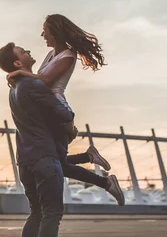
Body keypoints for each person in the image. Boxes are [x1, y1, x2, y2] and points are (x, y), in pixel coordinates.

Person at [6, 14, 124, 206]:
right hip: (47, 110)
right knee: (55, 161)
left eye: (45, 29)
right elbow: (39, 81)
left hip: (57, 109)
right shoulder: (51, 55)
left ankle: (102, 176)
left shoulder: (68, 56)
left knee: (56, 163)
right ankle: (94, 164)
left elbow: (45, 81)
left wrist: (20, 72)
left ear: (55, 31)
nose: (42, 34)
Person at [0, 42, 80, 237]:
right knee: (52, 213)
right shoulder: (32, 84)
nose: (28, 51)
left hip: (25, 159)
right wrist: (69, 127)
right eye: (22, 51)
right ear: (17, 63)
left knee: (36, 212)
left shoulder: (13, 90)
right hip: (44, 156)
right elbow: (64, 114)